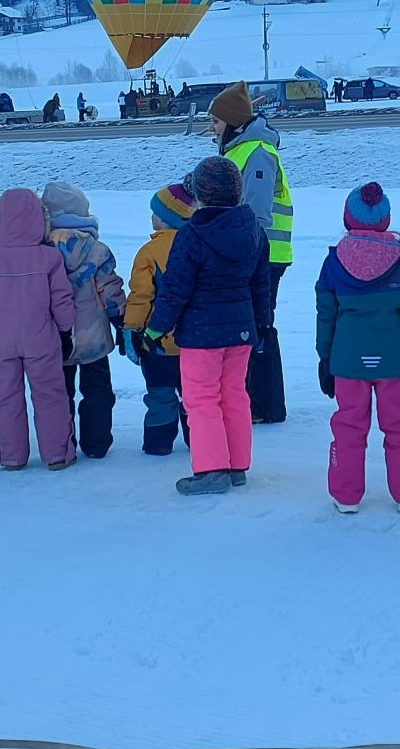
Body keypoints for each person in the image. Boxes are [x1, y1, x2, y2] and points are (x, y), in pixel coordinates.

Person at [146, 156, 272, 496]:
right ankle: (236, 465)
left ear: (200, 195)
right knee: (234, 396)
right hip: (241, 331)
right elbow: (261, 284)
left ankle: (211, 469)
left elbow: (175, 288)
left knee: (201, 400)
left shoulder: (192, 235)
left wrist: (156, 328)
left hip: (201, 335)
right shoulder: (254, 231)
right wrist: (262, 323)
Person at [316, 182, 400, 514]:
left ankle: (346, 495)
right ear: (386, 220)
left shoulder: (334, 260)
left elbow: (326, 315)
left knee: (348, 427)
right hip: (394, 360)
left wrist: (325, 358)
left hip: (348, 360)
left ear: (347, 219)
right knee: (399, 426)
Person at [0, 188, 76, 471]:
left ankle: (12, 456)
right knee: (50, 395)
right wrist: (66, 330)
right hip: (41, 338)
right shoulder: (49, 257)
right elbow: (61, 298)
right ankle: (57, 454)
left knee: (4, 399)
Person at [208, 80, 293, 424]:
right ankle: (258, 402)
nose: (211, 128)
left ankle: (265, 405)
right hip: (255, 254)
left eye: (215, 121)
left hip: (263, 256)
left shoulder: (257, 152)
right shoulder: (239, 150)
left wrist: (239, 253)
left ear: (231, 121)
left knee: (259, 325)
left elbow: (256, 214)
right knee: (253, 324)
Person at [42, 181, 127, 460]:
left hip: (56, 336)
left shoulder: (40, 250)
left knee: (59, 393)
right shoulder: (97, 250)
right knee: (98, 390)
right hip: (94, 338)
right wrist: (121, 320)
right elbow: (110, 290)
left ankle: (63, 444)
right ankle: (97, 442)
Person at [123, 183, 197, 456]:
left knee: (160, 394)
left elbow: (141, 296)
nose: (151, 217)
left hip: (158, 341)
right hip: (194, 341)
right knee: (194, 395)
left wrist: (131, 328)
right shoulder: (197, 246)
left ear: (165, 218)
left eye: (154, 213)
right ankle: (198, 440)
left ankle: (158, 443)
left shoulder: (149, 252)